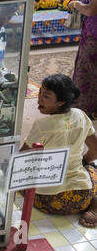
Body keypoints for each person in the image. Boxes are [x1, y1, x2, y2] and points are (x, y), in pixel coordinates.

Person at [21, 74, 97, 228]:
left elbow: (23, 157)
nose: (39, 99)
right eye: (40, 93)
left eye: (46, 96)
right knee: (93, 170)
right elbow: (95, 149)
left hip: (46, 199)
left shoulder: (43, 125)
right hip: (81, 197)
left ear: (61, 102)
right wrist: (84, 163)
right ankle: (94, 204)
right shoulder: (81, 116)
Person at [68, 0, 97, 119]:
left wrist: (77, 4)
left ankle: (83, 108)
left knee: (87, 72)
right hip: (92, 36)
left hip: (94, 39)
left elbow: (91, 11)